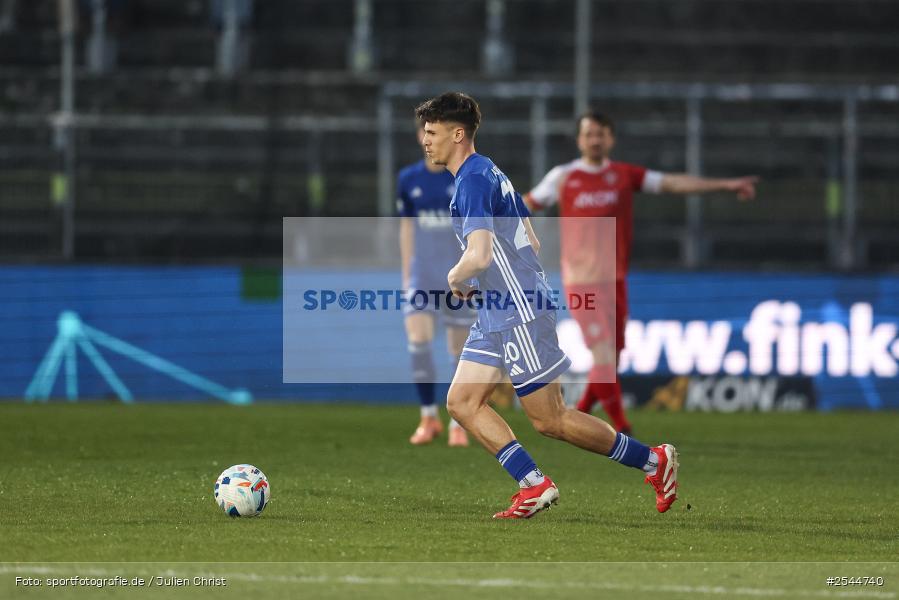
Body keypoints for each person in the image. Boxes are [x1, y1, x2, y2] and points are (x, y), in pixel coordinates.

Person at [416, 91, 679, 519]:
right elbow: (530, 239)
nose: (425, 141)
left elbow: (480, 254)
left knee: (550, 419)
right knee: (462, 402)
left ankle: (654, 461)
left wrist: (456, 276)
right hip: (500, 308)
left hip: (516, 309)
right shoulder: (488, 172)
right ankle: (533, 484)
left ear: (457, 133)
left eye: (432, 132)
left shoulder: (471, 181)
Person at [525, 111, 757, 434]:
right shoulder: (562, 177)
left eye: (601, 133)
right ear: (579, 140)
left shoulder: (624, 175)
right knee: (604, 354)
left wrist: (725, 185)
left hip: (615, 279)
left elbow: (672, 183)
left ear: (611, 139)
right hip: (581, 282)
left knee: (612, 359)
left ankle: (579, 415)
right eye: (589, 133)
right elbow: (526, 205)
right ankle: (622, 427)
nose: (595, 139)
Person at [397, 122, 473, 447]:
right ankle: (429, 416)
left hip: (456, 276)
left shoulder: (460, 177)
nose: (428, 140)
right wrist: (406, 275)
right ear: (418, 136)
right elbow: (407, 229)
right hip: (422, 276)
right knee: (418, 339)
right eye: (425, 133)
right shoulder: (408, 179)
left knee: (458, 349)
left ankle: (459, 421)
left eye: (434, 134)